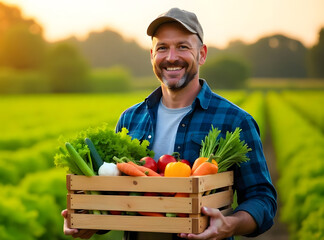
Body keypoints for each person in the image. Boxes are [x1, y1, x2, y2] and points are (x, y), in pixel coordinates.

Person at [62, 8, 277, 240]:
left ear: (202, 54)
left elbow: (262, 198)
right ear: (152, 55)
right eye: (162, 48)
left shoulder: (235, 121)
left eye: (183, 46)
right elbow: (117, 199)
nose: (171, 57)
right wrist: (88, 220)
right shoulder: (130, 119)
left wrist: (230, 224)